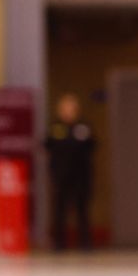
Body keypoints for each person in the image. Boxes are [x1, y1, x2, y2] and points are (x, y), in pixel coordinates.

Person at [44, 92, 95, 251]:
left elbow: (92, 146)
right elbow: (47, 146)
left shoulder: (83, 127)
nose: (68, 110)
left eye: (71, 107)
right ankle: (59, 243)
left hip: (81, 175)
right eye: (65, 107)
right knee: (60, 210)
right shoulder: (55, 127)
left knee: (82, 210)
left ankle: (85, 243)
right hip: (61, 175)